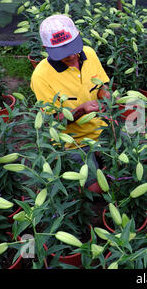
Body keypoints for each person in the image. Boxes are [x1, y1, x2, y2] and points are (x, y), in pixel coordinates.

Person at [30, 14, 111, 191]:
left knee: (126, 168)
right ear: (46, 48)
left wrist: (107, 99)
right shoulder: (41, 76)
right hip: (73, 142)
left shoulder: (89, 53)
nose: (72, 56)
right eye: (63, 53)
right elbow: (54, 121)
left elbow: (102, 86)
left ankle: (100, 158)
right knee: (96, 190)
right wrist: (80, 110)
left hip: (102, 129)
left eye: (73, 48)